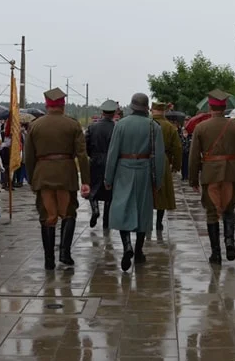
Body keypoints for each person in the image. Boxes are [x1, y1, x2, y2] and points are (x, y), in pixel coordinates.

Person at [24, 88, 91, 270]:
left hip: (43, 175)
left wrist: (32, 178)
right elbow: (82, 155)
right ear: (63, 105)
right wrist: (85, 180)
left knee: (47, 216)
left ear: (47, 104)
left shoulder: (35, 126)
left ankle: (48, 260)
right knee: (68, 213)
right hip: (66, 175)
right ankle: (64, 253)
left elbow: (28, 157)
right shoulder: (73, 125)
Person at [188, 90, 235, 264]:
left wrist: (193, 179)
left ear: (210, 107)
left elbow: (194, 156)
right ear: (225, 107)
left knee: (211, 213)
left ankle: (216, 253)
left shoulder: (201, 128)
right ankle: (229, 241)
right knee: (229, 209)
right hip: (233, 174)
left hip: (211, 175)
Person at [104, 93, 166, 270]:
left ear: (131, 107)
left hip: (123, 169)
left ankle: (127, 246)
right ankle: (138, 251)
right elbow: (159, 157)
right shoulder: (154, 127)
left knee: (122, 208)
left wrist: (108, 177)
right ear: (146, 108)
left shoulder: (120, 125)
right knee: (143, 211)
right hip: (145, 170)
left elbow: (113, 153)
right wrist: (158, 180)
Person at [86, 100, 117, 230]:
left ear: (102, 112)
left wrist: (92, 156)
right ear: (114, 113)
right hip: (111, 160)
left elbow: (86, 145)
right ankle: (106, 222)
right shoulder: (117, 127)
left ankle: (95, 209)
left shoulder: (92, 127)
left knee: (93, 188)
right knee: (109, 192)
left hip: (96, 160)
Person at [151, 101, 182, 231]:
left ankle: (146, 221)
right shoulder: (169, 127)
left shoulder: (146, 124)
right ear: (163, 111)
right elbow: (178, 148)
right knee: (162, 192)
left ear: (152, 110)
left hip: (145, 159)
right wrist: (176, 166)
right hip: (163, 160)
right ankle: (159, 222)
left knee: (146, 192)